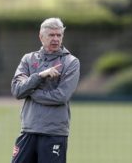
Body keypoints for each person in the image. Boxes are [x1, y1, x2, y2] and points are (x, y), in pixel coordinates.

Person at [10, 17, 80, 163]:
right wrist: (39, 76)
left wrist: (31, 92)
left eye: (59, 35)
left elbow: (61, 96)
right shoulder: (28, 59)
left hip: (54, 133)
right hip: (28, 130)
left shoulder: (71, 62)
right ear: (41, 37)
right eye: (51, 35)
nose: (55, 39)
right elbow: (17, 90)